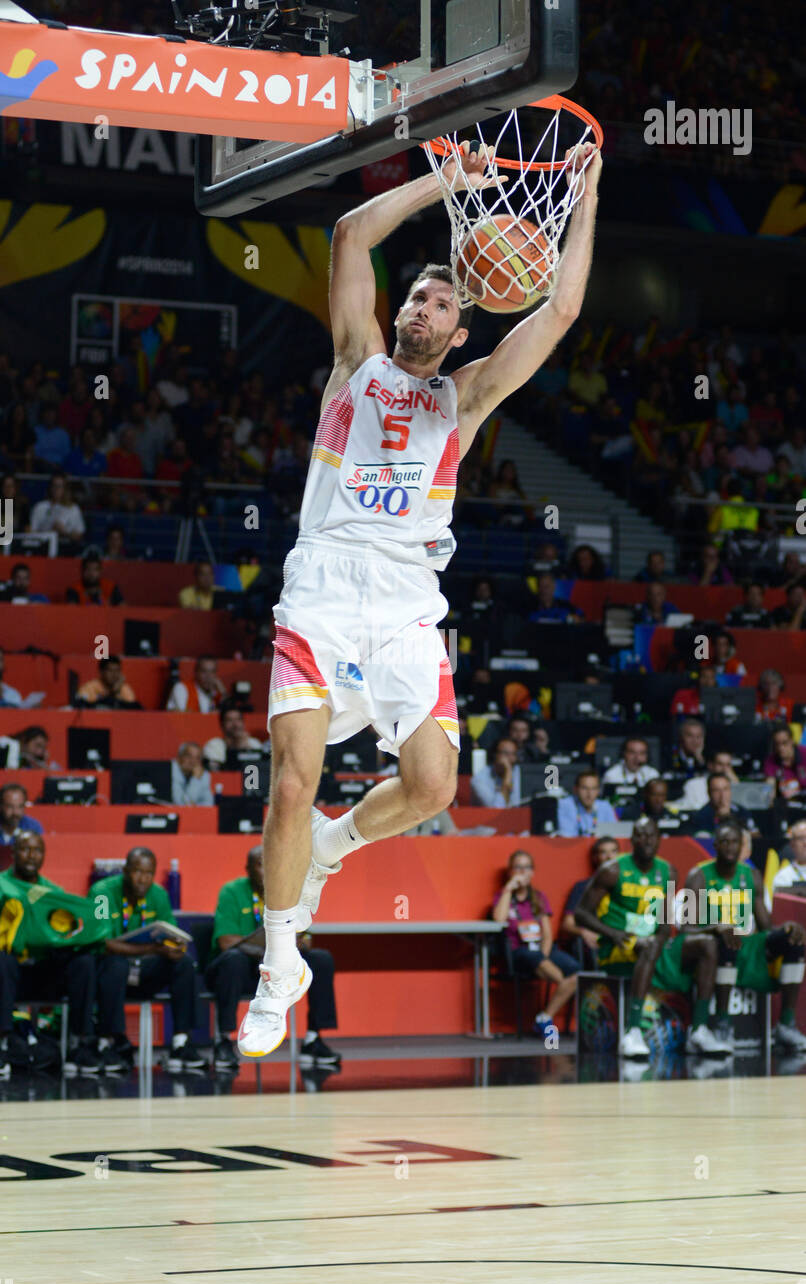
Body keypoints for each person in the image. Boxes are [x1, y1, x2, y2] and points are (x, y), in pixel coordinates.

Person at [239, 137, 602, 1057]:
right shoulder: (354, 362)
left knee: (434, 783)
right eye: (416, 296)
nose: (421, 308)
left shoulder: (466, 399)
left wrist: (584, 198)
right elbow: (351, 235)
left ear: (459, 329)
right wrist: (447, 183)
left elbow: (558, 310)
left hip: (404, 603)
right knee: (289, 788)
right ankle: (281, 963)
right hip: (320, 587)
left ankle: (332, 849)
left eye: (440, 302)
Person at [575, 818, 725, 1058]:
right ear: (632, 840)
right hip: (619, 943)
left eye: (652, 836)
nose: (647, 841)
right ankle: (633, 1031)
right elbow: (580, 914)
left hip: (654, 944)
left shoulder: (668, 871)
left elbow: (665, 921)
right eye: (641, 836)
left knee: (707, 944)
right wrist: (613, 934)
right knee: (647, 945)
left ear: (659, 841)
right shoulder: (613, 870)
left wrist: (663, 937)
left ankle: (700, 1029)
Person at [207, 846, 340, 1070]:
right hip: (241, 971)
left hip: (275, 974)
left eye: (271, 864)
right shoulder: (231, 891)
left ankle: (313, 1039)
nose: (268, 870)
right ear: (248, 869)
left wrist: (287, 946)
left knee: (321, 959)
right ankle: (223, 1040)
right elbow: (226, 942)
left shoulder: (287, 890)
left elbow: (305, 940)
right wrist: (274, 949)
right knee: (233, 960)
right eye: (261, 864)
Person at [684, 820, 806, 1052]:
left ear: (742, 846)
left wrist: (786, 928)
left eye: (736, 842)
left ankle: (786, 1025)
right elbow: (686, 928)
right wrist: (715, 927)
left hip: (748, 942)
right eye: (725, 842)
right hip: (713, 944)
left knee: (793, 940)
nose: (731, 847)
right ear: (716, 845)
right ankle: (722, 1022)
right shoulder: (698, 875)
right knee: (729, 938)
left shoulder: (751, 875)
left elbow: (766, 926)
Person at [0, 831, 111, 1076]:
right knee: (2, 961)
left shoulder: (54, 893)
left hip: (42, 972)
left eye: (37, 850)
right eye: (25, 849)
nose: (31, 856)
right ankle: (3, 1044)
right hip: (8, 973)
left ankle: (80, 1044)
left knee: (83, 962)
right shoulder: (1, 885)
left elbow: (68, 934)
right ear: (13, 853)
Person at [91, 848, 205, 1072]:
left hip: (147, 970)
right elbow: (102, 943)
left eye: (148, 873)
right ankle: (109, 1043)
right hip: (112, 973)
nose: (143, 879)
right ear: (125, 871)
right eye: (137, 872)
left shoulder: (159, 895)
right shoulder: (102, 894)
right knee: (114, 963)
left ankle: (181, 1042)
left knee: (183, 964)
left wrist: (176, 947)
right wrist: (152, 948)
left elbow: (170, 935)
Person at [491, 849, 579, 1039]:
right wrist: (508, 888)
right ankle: (547, 1015)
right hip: (519, 952)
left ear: (533, 872)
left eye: (527, 867)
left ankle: (544, 1017)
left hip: (541, 950)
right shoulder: (503, 896)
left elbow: (547, 933)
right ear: (510, 872)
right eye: (518, 867)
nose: (523, 872)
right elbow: (498, 919)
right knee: (551, 971)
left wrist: (545, 955)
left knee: (575, 972)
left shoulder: (539, 898)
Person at [559, 835, 619, 964]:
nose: (609, 857)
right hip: (596, 942)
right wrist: (584, 932)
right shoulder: (583, 887)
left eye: (614, 851)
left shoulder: (628, 887)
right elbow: (567, 924)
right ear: (595, 858)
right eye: (604, 852)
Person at [688, 773, 756, 838]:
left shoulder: (742, 812)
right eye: (716, 790)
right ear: (709, 793)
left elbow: (756, 836)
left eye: (725, 789)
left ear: (730, 791)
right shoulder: (701, 816)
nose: (722, 795)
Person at [29, 474, 85, 549]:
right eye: (54, 486)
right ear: (50, 487)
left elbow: (79, 536)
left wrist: (64, 532)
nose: (56, 489)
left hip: (67, 549)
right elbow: (32, 532)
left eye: (60, 486)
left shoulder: (73, 509)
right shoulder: (40, 507)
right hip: (43, 547)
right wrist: (49, 532)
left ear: (65, 489)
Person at [203, 705, 265, 771]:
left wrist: (246, 749)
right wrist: (238, 747)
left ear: (243, 723)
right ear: (222, 725)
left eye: (238, 719)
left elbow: (260, 770)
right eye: (230, 720)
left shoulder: (254, 744)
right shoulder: (214, 745)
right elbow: (216, 772)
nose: (235, 724)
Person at [557, 769, 616, 837]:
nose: (589, 794)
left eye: (593, 788)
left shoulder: (605, 806)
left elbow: (613, 836)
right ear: (575, 789)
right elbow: (567, 838)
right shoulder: (565, 805)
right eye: (584, 788)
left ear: (599, 791)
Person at [470, 736, 523, 808]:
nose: (510, 758)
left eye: (513, 754)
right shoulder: (478, 780)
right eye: (505, 753)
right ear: (495, 755)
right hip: (487, 818)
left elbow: (518, 805)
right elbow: (497, 808)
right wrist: (507, 775)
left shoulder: (519, 771)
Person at [171, 742, 214, 807]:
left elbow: (209, 804)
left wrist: (196, 779)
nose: (193, 761)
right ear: (179, 757)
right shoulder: (170, 771)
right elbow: (181, 804)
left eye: (197, 758)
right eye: (189, 756)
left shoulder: (203, 774)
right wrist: (195, 780)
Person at [772, 821, 806, 896]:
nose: (805, 843)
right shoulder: (783, 876)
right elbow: (744, 907)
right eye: (801, 838)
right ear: (792, 844)